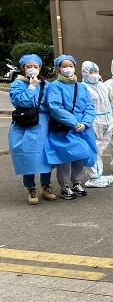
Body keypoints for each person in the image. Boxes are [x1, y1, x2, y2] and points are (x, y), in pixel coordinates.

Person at [45, 55, 96, 200]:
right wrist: (73, 122)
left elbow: (89, 107)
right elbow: (55, 107)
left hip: (82, 127)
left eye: (70, 65)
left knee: (80, 155)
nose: (68, 68)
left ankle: (77, 182)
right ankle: (65, 186)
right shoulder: (55, 86)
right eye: (64, 66)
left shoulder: (82, 87)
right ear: (58, 68)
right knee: (65, 156)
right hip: (64, 127)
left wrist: (85, 122)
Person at [9, 54, 56, 204]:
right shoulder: (17, 84)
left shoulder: (46, 85)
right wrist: (31, 87)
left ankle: (45, 186)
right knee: (27, 156)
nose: (32, 69)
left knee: (45, 155)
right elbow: (21, 102)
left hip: (43, 123)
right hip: (26, 123)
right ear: (23, 68)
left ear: (40, 67)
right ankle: (31, 188)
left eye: (35, 66)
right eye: (29, 66)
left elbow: (53, 103)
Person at [81, 61, 113, 188]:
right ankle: (93, 177)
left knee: (101, 149)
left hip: (106, 120)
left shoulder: (101, 85)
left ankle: (98, 173)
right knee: (93, 148)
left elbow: (107, 103)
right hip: (94, 121)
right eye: (91, 72)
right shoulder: (83, 87)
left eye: (96, 71)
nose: (94, 74)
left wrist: (110, 120)